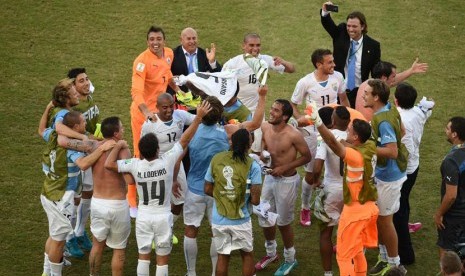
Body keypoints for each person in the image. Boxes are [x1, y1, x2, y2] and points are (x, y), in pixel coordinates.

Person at [105, 100, 211, 276]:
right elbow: (184, 140)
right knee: (162, 260)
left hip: (144, 216)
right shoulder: (168, 160)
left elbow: (109, 164)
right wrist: (198, 118)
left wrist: (118, 145)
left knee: (143, 257)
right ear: (157, 150)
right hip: (163, 217)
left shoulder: (134, 165)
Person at [183, 84, 268, 276]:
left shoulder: (191, 132)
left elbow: (179, 152)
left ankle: (190, 272)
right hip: (218, 191)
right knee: (216, 233)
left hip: (194, 188)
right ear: (221, 113)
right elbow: (254, 123)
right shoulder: (228, 133)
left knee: (191, 230)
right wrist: (262, 97)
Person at [307, 102, 379, 276]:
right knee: (357, 247)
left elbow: (332, 143)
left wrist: (318, 122)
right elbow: (343, 143)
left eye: (351, 132)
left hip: (351, 207)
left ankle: (328, 273)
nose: (348, 133)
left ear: (355, 138)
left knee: (342, 254)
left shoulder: (354, 156)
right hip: (369, 205)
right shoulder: (369, 147)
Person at [39, 111, 114, 276]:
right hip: (60, 196)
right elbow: (83, 164)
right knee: (58, 240)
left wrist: (48, 108)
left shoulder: (52, 135)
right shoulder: (71, 147)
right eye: (83, 122)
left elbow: (41, 130)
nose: (86, 124)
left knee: (54, 235)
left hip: (48, 191)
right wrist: (102, 150)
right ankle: (55, 274)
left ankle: (46, 271)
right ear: (75, 127)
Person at [290, 48, 349, 227]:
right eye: (330, 62)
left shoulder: (337, 77)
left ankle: (335, 200)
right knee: (310, 172)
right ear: (319, 64)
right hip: (313, 133)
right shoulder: (305, 82)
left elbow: (343, 99)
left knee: (339, 166)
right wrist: (304, 120)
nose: (334, 65)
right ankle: (305, 207)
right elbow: (293, 104)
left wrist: (349, 118)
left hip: (334, 129)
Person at [255, 99, 311, 275]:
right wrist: (263, 154)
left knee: (283, 222)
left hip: (287, 182)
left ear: (285, 116)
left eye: (276, 111)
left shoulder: (293, 135)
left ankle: (290, 259)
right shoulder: (265, 127)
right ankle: (271, 253)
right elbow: (264, 144)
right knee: (264, 214)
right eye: (272, 109)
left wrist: (283, 168)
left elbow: (307, 157)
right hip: (270, 179)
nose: (271, 112)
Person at [222, 32, 295, 153]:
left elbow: (292, 69)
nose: (255, 49)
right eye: (251, 45)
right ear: (243, 46)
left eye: (258, 45)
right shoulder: (233, 64)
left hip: (257, 112)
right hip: (238, 113)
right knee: (235, 147)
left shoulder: (264, 60)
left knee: (257, 147)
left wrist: (283, 62)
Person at [363, 79, 408, 274]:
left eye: (367, 93)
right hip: (385, 174)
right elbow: (403, 131)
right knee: (379, 218)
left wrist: (366, 147)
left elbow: (392, 152)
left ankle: (395, 263)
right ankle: (383, 258)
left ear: (376, 97)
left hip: (389, 177)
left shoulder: (383, 120)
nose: (363, 95)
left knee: (384, 220)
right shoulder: (389, 109)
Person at [204, 128, 262, 276]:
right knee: (247, 255)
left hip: (219, 220)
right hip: (241, 220)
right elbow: (255, 201)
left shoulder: (216, 159)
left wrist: (223, 196)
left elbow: (207, 188)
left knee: (223, 257)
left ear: (232, 142)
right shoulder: (253, 165)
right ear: (249, 145)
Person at [139, 93, 196, 237]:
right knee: (158, 203)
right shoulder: (150, 124)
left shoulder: (180, 116)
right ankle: (153, 233)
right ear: (157, 107)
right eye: (165, 107)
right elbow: (143, 149)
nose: (169, 110)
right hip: (158, 166)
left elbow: (198, 120)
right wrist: (143, 169)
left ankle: (167, 227)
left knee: (180, 200)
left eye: (171, 106)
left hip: (177, 163)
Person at [393, 82, 434, 265]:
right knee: (403, 202)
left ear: (396, 100)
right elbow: (427, 109)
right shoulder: (418, 112)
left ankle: (406, 254)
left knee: (398, 210)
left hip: (405, 169)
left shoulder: (401, 119)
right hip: (414, 166)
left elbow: (406, 147)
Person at [88, 117, 134, 276]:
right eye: (121, 128)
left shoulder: (95, 147)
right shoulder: (123, 150)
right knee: (119, 249)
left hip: (98, 203)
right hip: (118, 205)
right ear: (115, 133)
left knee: (97, 245)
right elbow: (129, 180)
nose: (124, 130)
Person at [312, 106, 350, 275]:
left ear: (332, 121)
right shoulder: (355, 137)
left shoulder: (325, 138)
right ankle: (350, 267)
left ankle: (328, 273)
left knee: (326, 233)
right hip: (351, 189)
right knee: (350, 232)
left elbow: (317, 167)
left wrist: (315, 181)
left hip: (332, 190)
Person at [130, 25, 180, 157]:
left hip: (161, 112)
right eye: (152, 39)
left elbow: (167, 73)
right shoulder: (141, 62)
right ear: (147, 42)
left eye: (159, 39)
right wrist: (146, 112)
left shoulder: (169, 53)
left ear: (164, 41)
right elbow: (136, 91)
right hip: (143, 114)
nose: (155, 43)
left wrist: (177, 89)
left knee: (162, 149)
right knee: (142, 152)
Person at [320, 2, 381, 108]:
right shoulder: (341, 33)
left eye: (354, 26)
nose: (350, 29)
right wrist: (325, 11)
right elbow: (328, 24)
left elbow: (376, 72)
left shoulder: (373, 46)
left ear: (362, 26)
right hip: (337, 90)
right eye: (348, 26)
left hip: (359, 93)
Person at [67, 67, 101, 256]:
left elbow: (94, 123)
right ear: (73, 85)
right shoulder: (72, 108)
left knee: (89, 192)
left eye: (87, 79)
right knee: (75, 198)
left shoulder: (89, 97)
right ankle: (68, 237)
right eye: (81, 81)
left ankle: (80, 231)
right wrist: (97, 141)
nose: (87, 83)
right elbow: (76, 134)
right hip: (77, 155)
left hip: (91, 150)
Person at [355, 60, 428, 121]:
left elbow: (392, 82)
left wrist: (411, 71)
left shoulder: (367, 84)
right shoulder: (377, 94)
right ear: (384, 78)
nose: (394, 80)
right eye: (393, 77)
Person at [435, 117, 465, 260]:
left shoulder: (451, 160)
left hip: (455, 216)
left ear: (454, 134)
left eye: (447, 128)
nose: (445, 131)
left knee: (447, 252)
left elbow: (451, 195)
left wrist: (439, 213)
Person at [169, 27, 222, 93]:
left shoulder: (204, 54)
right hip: (180, 94)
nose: (192, 41)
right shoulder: (173, 54)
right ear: (181, 40)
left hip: (201, 94)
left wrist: (212, 62)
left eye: (194, 38)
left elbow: (219, 74)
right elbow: (168, 77)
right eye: (188, 39)